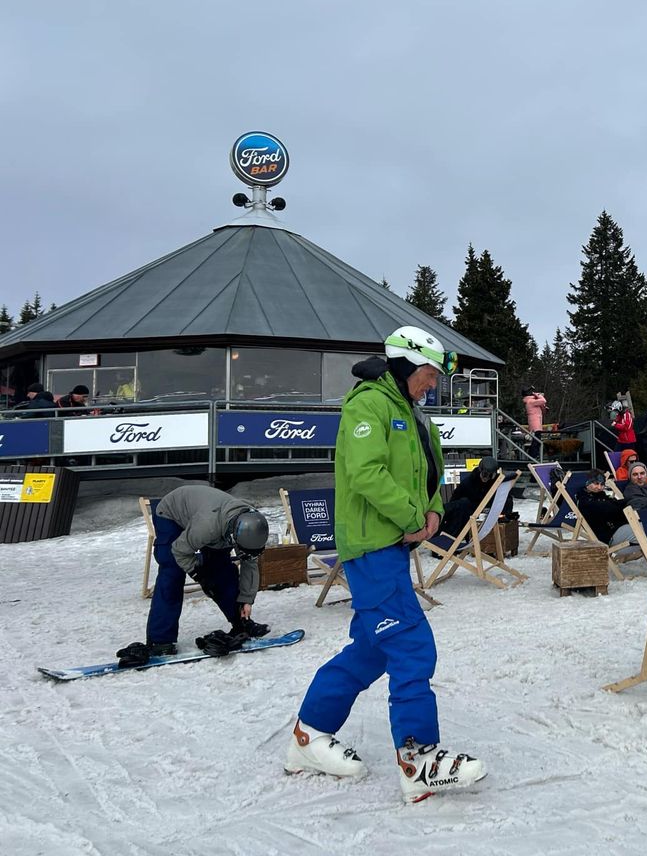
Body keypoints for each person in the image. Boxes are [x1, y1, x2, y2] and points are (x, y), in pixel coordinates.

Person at [286, 325, 485, 801]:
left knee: (372, 649)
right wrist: (414, 516)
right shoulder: (368, 405)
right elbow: (366, 472)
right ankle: (419, 759)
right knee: (411, 644)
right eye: (427, 374)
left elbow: (434, 473)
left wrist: (434, 509)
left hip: (393, 546)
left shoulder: (416, 416)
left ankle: (308, 735)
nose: (432, 384)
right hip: (371, 546)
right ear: (402, 364)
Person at [116, 485, 271, 668]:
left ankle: (241, 623)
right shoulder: (207, 527)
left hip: (209, 518)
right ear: (233, 536)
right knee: (172, 572)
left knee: (222, 571)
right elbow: (179, 551)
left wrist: (247, 599)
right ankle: (161, 640)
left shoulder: (252, 524)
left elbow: (249, 562)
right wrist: (199, 574)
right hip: (171, 513)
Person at [439, 456, 513, 536]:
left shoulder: (497, 482)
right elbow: (455, 500)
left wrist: (505, 514)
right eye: (485, 474)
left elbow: (507, 499)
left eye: (490, 475)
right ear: (479, 471)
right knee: (461, 504)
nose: (486, 478)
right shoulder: (469, 482)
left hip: (486, 513)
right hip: (466, 513)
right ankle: (440, 528)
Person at [576, 468, 630, 544]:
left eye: (602, 484)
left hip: (617, 529)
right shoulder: (585, 500)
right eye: (596, 483)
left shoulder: (601, 496)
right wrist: (625, 502)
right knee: (644, 534)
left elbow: (612, 506)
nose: (599, 487)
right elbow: (608, 508)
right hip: (607, 536)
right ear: (587, 483)